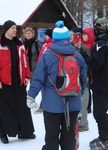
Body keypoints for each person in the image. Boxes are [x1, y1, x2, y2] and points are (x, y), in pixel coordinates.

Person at [27, 20, 87, 150]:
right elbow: (83, 80)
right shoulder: (78, 55)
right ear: (67, 38)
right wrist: (78, 95)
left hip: (52, 105)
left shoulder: (47, 55)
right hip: (73, 104)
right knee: (69, 137)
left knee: (52, 137)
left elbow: (38, 79)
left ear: (54, 39)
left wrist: (31, 96)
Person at [0, 20, 35, 144]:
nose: (15, 30)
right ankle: (3, 133)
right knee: (3, 108)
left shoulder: (20, 44)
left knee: (22, 107)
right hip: (3, 82)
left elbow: (25, 62)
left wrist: (27, 76)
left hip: (18, 81)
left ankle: (24, 132)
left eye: (15, 28)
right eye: (12, 28)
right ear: (6, 29)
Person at [79, 17, 108, 150]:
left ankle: (105, 138)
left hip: (101, 85)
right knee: (101, 112)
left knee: (99, 113)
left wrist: (83, 54)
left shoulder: (101, 43)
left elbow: (95, 64)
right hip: (103, 83)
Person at [70, 27, 90, 132]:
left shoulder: (83, 48)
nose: (70, 37)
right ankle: (78, 122)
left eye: (73, 35)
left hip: (83, 81)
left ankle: (83, 124)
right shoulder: (71, 47)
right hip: (74, 80)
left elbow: (86, 64)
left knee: (83, 102)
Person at [34, 28, 53, 114]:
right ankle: (44, 105)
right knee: (42, 87)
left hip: (46, 69)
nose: (45, 36)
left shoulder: (50, 45)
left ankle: (43, 106)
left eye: (46, 35)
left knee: (45, 88)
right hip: (42, 67)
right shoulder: (45, 44)